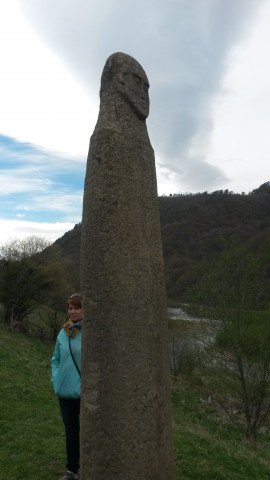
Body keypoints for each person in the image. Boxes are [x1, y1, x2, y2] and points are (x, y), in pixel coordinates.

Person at [51, 293, 83, 480]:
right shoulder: (63, 332)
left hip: (83, 393)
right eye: (70, 307)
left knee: (85, 432)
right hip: (64, 392)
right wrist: (56, 378)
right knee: (71, 433)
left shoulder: (91, 333)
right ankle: (73, 470)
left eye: (77, 307)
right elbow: (55, 359)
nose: (72, 311)